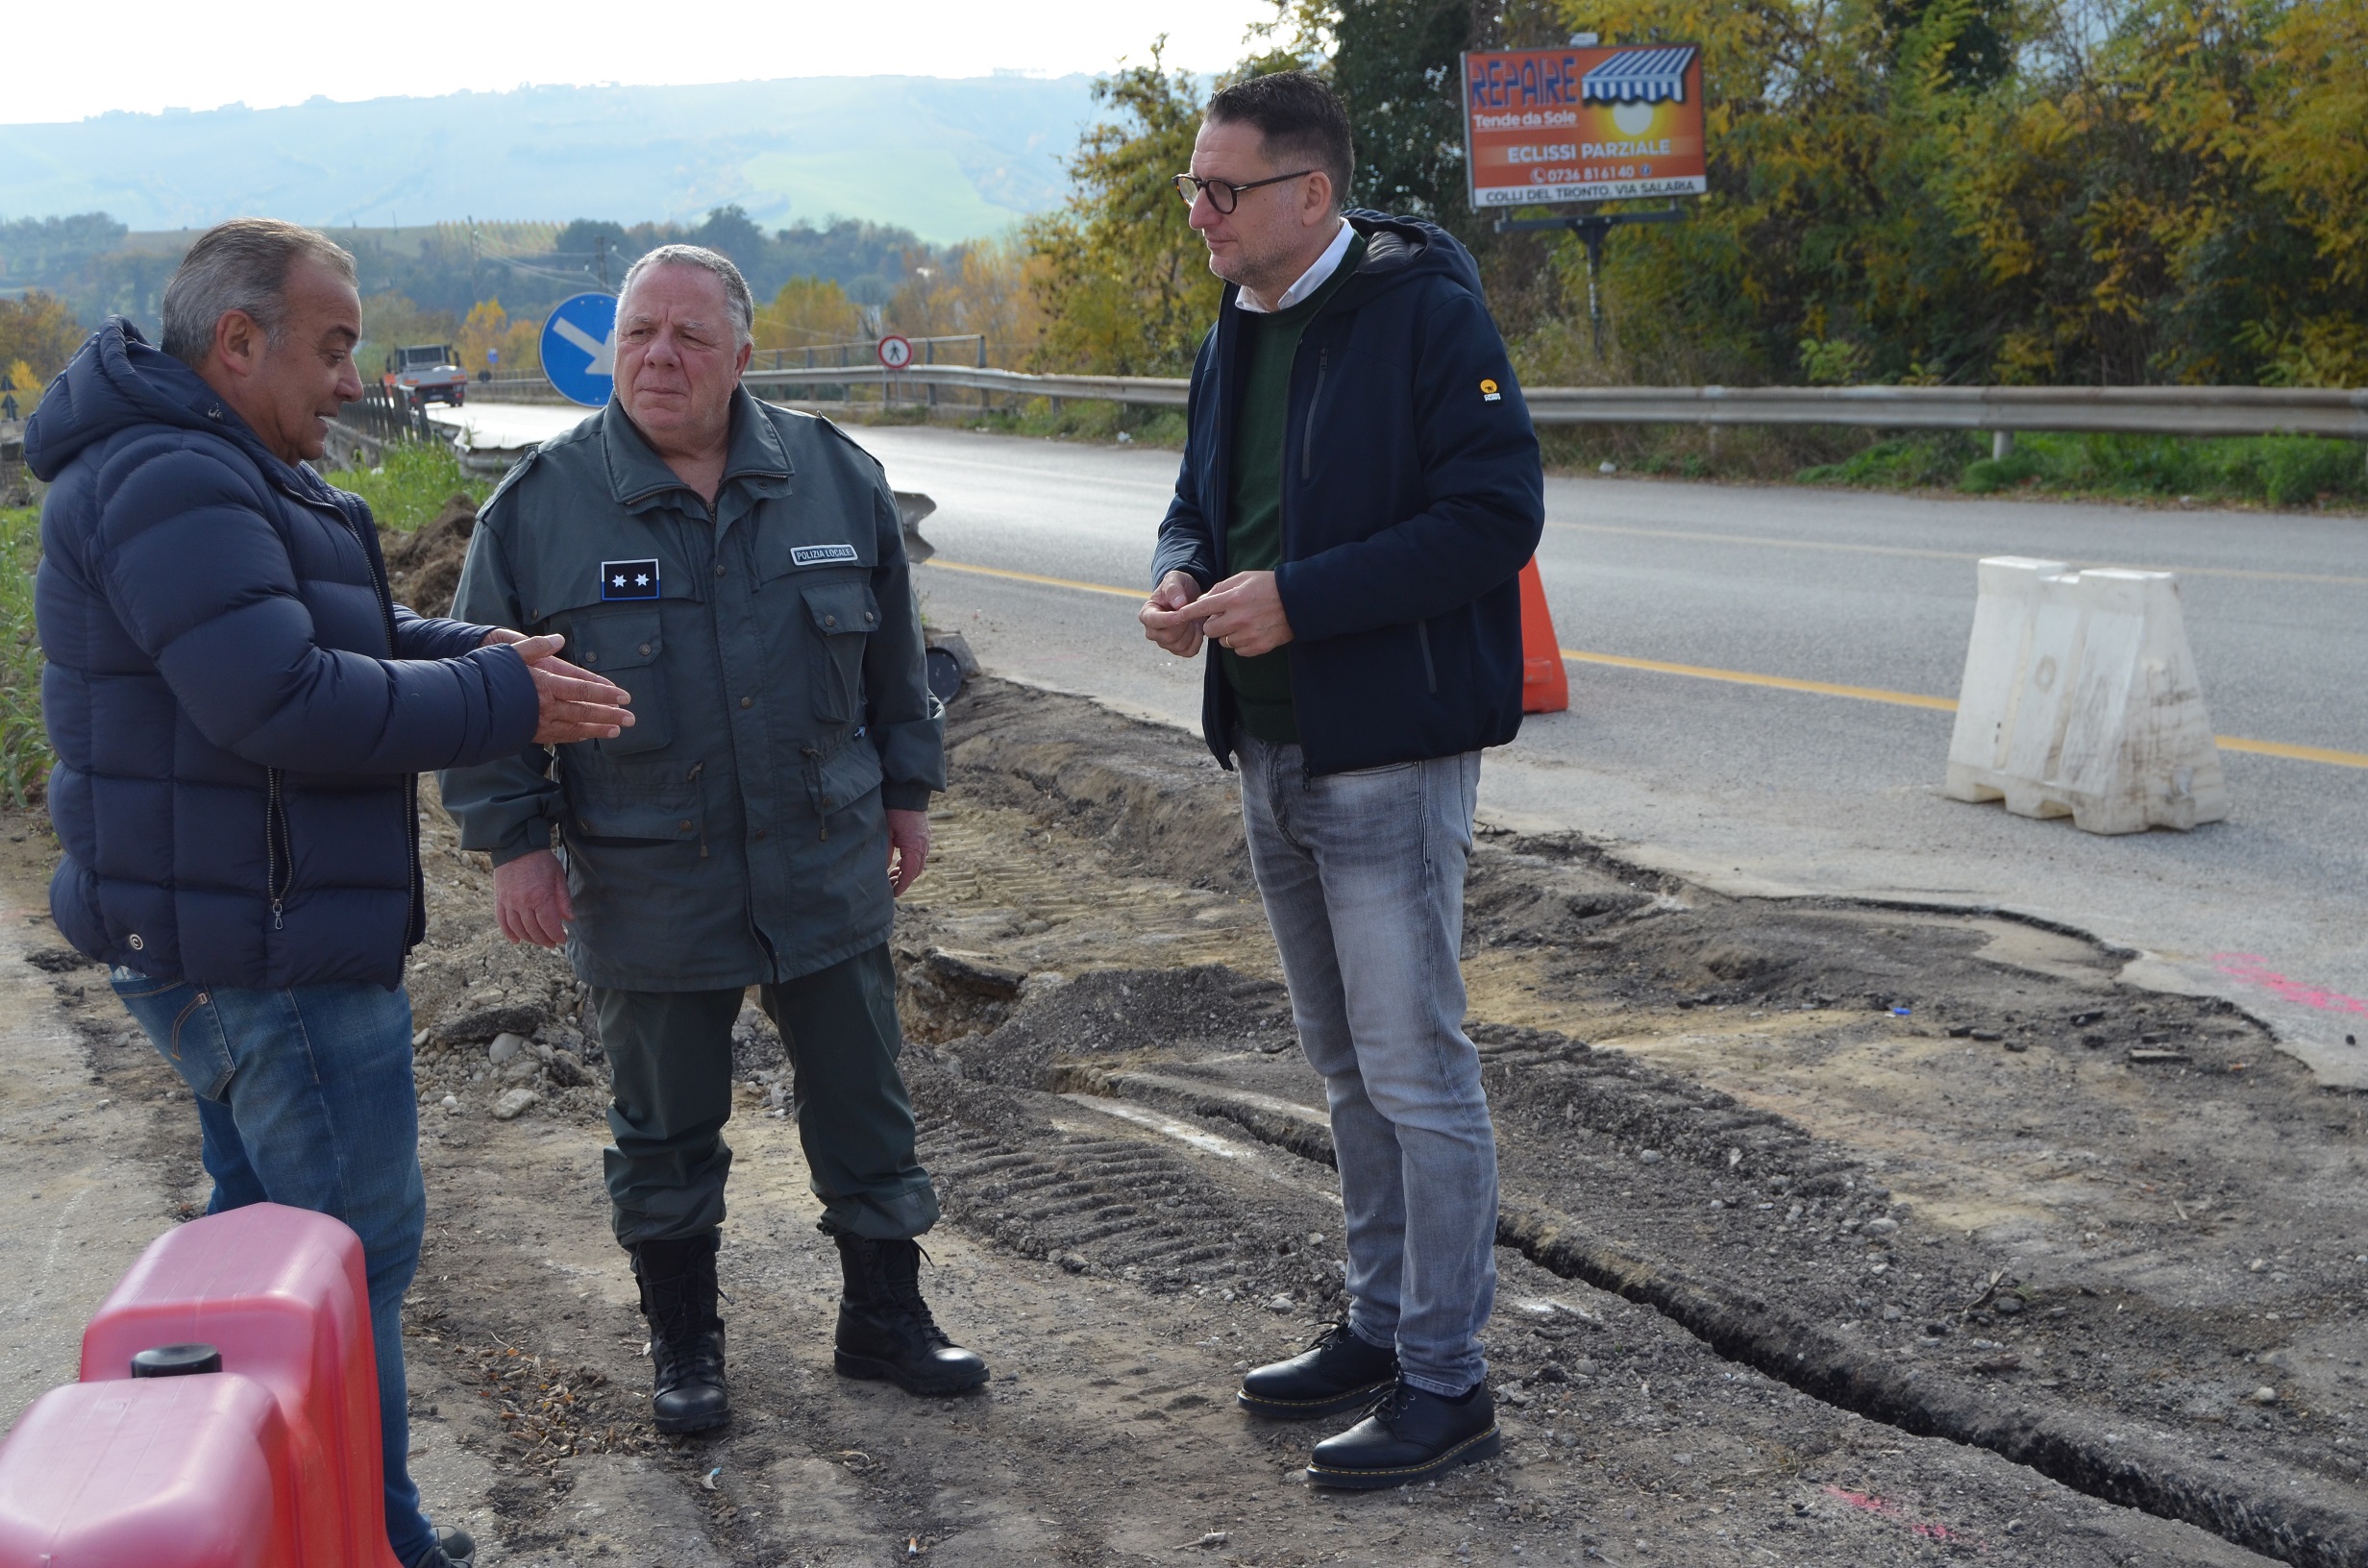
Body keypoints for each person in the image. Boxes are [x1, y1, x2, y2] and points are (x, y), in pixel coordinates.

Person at [27, 218, 634, 1568]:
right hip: (273, 953)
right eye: (333, 346)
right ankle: (382, 1545)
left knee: (272, 1282)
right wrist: (500, 697)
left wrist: (472, 646)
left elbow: (316, 633)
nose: (354, 382)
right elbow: (279, 697)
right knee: (345, 1278)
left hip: (239, 929)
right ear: (236, 343)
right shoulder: (175, 479)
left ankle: (314, 1532)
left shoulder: (207, 464)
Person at [439, 244, 985, 1435]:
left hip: (822, 856)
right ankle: (685, 1344)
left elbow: (896, 662)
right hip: (646, 876)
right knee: (663, 1129)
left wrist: (908, 793)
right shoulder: (540, 508)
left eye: (689, 338)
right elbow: (479, 696)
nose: (659, 358)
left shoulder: (835, 480)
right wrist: (515, 845)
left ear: (742, 357)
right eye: (638, 335)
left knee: (864, 1101)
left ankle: (883, 1317)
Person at [1140, 72, 1545, 1489]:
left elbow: (1497, 518)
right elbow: (1200, 496)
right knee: (1342, 1066)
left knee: (1419, 1072)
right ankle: (1378, 1329)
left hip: (1385, 751)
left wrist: (1300, 600)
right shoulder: (1236, 331)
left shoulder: (1424, 314)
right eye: (1196, 188)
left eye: (1221, 190)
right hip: (1266, 743)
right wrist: (1181, 572)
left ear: (1309, 195)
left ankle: (1450, 1382)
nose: (1199, 211)